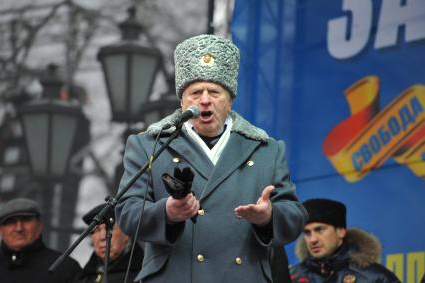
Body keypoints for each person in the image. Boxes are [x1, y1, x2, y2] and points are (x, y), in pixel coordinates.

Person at [115, 34, 308, 283]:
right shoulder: (149, 146)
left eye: (215, 91)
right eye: (195, 92)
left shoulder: (266, 150)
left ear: (230, 100)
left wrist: (268, 218)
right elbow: (127, 213)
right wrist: (167, 212)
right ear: (182, 100)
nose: (204, 99)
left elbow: (295, 216)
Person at [290, 198, 401, 283]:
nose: (313, 239)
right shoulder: (292, 277)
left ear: (340, 232)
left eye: (320, 230)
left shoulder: (374, 277)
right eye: (307, 232)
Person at [0, 198, 81, 282]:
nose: (19, 228)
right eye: (11, 222)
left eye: (26, 220)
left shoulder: (66, 267)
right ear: (0, 230)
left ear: (40, 225)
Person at [74, 203, 143, 283]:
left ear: (126, 233)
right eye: (96, 230)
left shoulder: (144, 275)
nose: (102, 237)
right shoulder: (82, 278)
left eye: (110, 228)